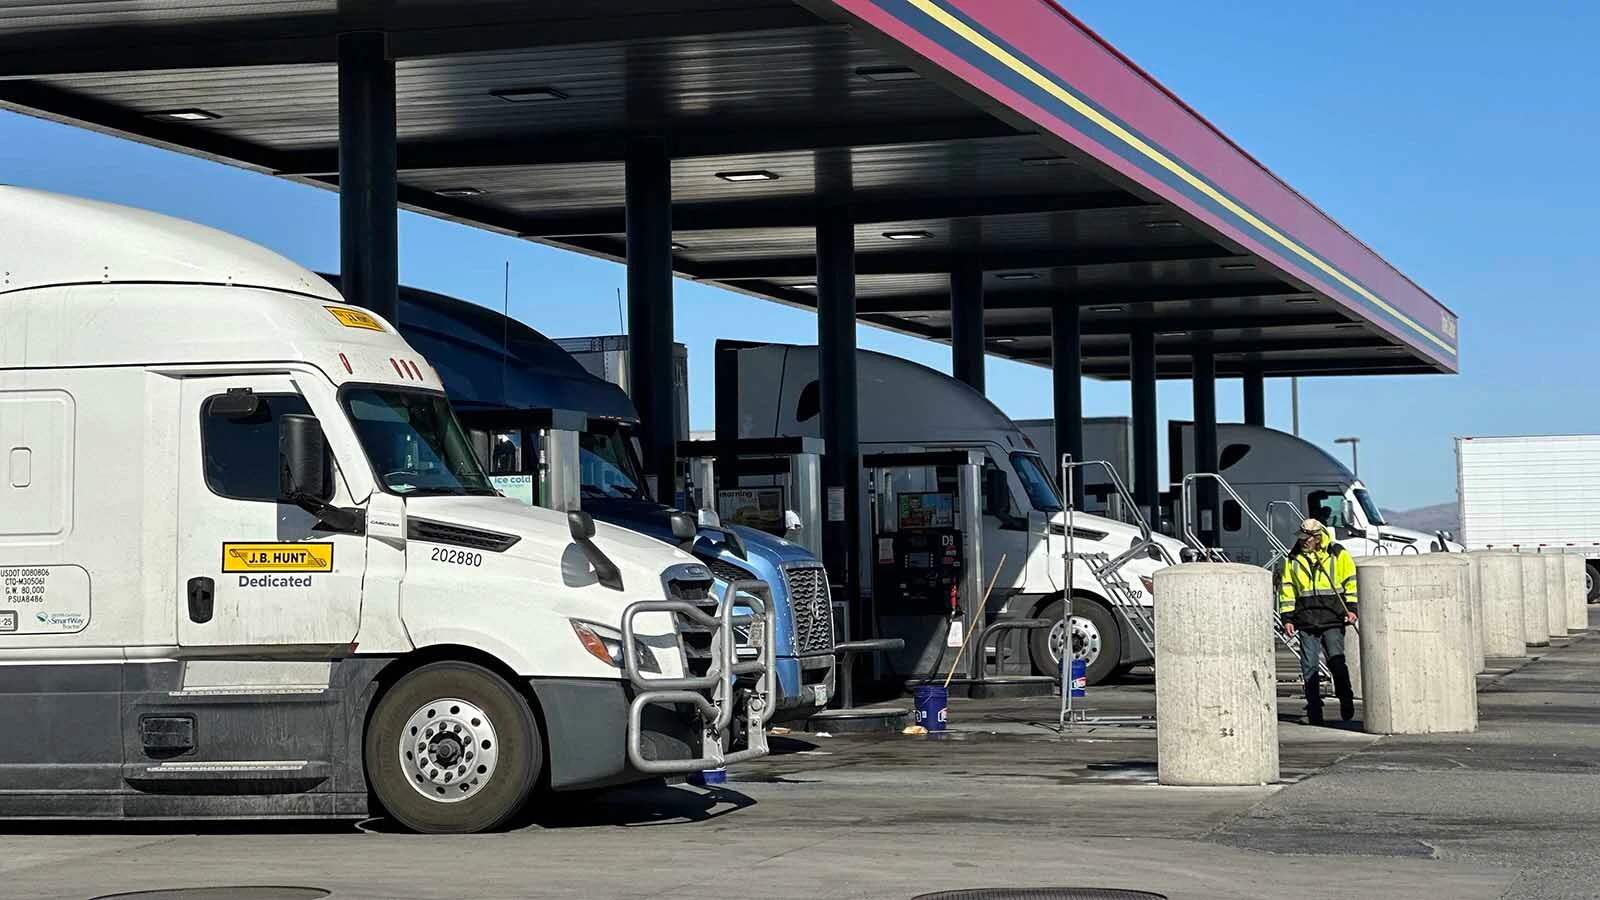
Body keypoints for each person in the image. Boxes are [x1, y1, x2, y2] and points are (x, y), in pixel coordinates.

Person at [1278, 518, 1358, 725]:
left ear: (1318, 537)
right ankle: (1314, 710)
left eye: (1307, 538)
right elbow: (1287, 589)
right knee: (1309, 667)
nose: (1303, 541)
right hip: (1306, 619)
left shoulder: (1338, 554)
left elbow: (1350, 581)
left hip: (1332, 617)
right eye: (1301, 538)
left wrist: (1351, 609)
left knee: (1336, 662)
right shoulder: (1293, 558)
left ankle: (1346, 699)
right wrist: (1287, 618)